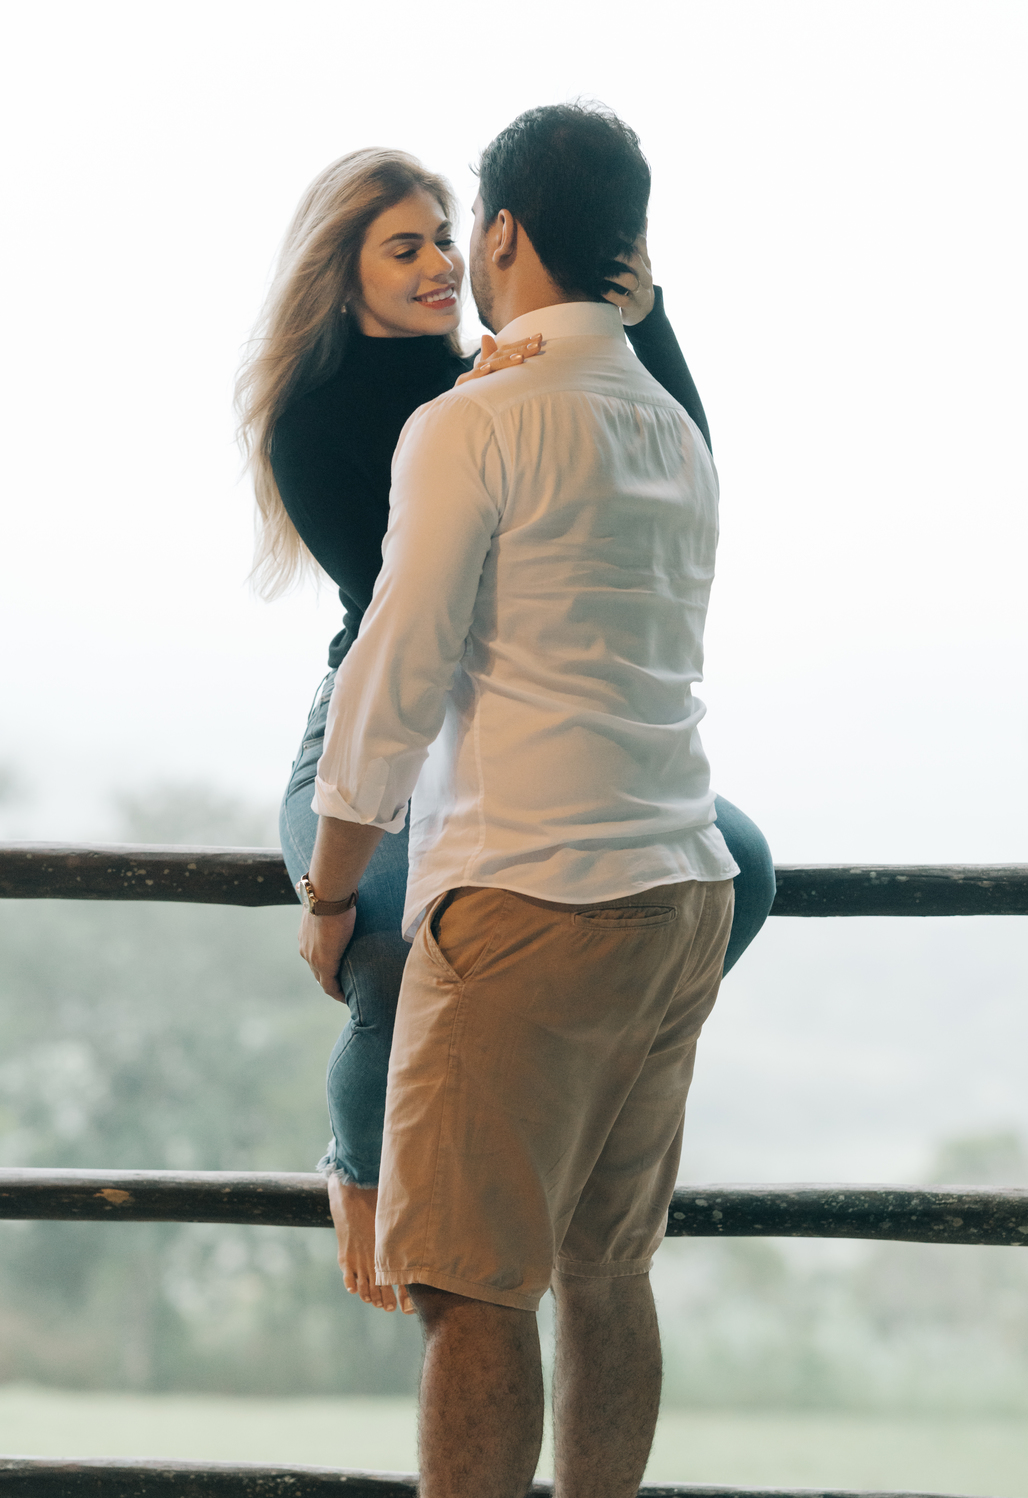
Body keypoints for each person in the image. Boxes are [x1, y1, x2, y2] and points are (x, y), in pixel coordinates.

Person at [246, 101, 740, 1498]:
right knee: (606, 1271)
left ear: (509, 239)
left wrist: (327, 889)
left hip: (527, 892)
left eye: (469, 230)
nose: (459, 259)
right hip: (677, 885)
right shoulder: (669, 426)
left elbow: (392, 674)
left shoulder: (477, 426)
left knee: (470, 1292)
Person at [236, 147, 775, 1316]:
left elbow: (679, 445)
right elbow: (406, 620)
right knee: (384, 928)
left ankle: (566, 1063)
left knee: (749, 859)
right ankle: (358, 1160)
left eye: (444, 235)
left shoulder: (488, 378)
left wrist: (643, 312)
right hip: (379, 709)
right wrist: (487, 394)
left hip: (498, 709)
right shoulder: (319, 418)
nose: (440, 262)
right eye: (406, 246)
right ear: (343, 277)